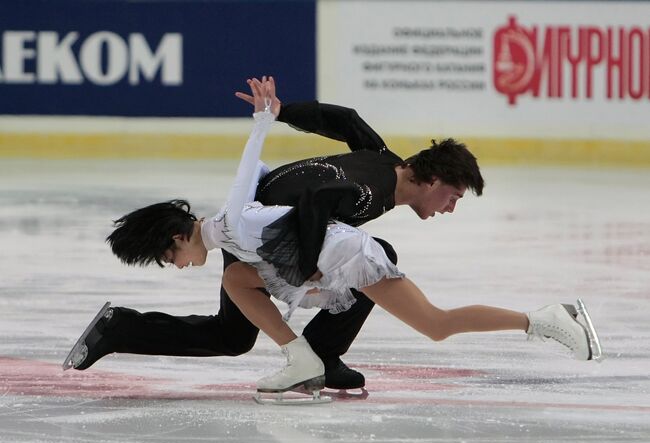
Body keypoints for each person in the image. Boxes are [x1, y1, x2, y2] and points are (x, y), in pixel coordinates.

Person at [66, 78, 598, 398]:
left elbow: (345, 120)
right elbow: (320, 199)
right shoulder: (368, 191)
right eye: (452, 197)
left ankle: (316, 359)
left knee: (241, 287)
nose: (450, 208)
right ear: (432, 180)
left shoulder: (386, 162)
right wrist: (303, 269)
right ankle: (544, 320)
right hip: (271, 229)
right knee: (239, 318)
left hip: (264, 222)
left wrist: (279, 114)